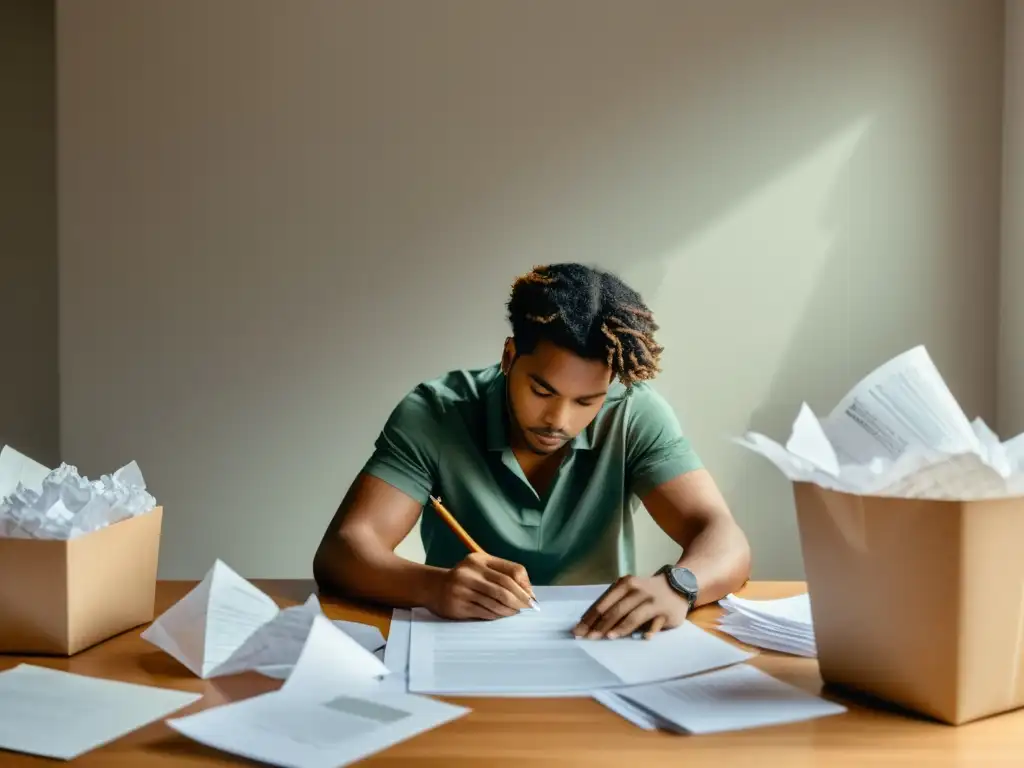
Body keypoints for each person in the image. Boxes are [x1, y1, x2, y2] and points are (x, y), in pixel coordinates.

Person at [313, 263, 751, 640]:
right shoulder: (435, 412)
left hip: (597, 640)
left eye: (586, 402)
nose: (559, 420)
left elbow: (724, 537)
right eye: (542, 389)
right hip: (460, 640)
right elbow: (343, 551)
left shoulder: (635, 414)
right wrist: (432, 587)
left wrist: (680, 585)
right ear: (509, 356)